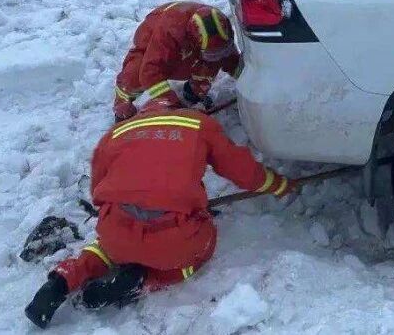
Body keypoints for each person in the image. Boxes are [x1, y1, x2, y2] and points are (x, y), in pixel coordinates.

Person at [25, 99, 294, 329]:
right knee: (202, 248)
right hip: (172, 240)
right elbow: (242, 169)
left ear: (145, 113)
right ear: (176, 110)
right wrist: (277, 184)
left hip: (117, 231)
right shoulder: (198, 124)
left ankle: (62, 280)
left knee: (104, 247)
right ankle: (143, 281)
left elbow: (97, 190)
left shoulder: (116, 133)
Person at [113, 0, 242, 122]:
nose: (219, 58)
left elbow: (231, 60)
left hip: (192, 49)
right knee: (134, 75)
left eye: (222, 52)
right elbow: (150, 73)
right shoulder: (169, 33)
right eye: (213, 55)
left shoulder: (218, 29)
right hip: (152, 41)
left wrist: (246, 77)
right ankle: (123, 107)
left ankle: (193, 92)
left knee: (210, 63)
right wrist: (172, 105)